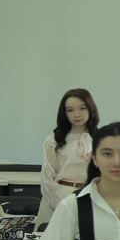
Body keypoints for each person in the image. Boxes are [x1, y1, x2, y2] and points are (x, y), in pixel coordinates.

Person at [39, 88, 99, 226]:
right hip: (58, 198)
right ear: (64, 113)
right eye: (70, 110)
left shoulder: (100, 139)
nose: (76, 114)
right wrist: (63, 206)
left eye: (82, 108)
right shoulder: (53, 140)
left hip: (89, 198)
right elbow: (47, 178)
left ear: (90, 109)